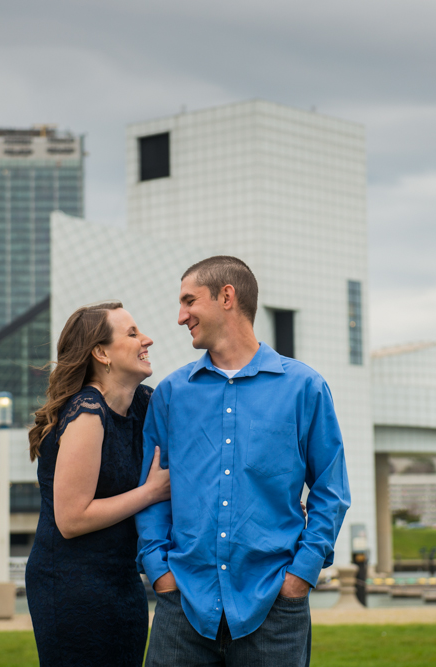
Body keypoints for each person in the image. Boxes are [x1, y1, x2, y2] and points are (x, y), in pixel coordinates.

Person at [137, 256, 351, 667]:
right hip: (182, 607)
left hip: (274, 606)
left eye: (189, 301)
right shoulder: (170, 394)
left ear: (227, 297)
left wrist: (299, 576)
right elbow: (152, 491)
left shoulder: (304, 388)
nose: (180, 317)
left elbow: (331, 490)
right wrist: (159, 572)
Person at [24, 302, 171, 667]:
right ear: (101, 353)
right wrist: (149, 492)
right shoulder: (88, 411)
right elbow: (72, 519)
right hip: (72, 583)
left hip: (122, 578)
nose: (146, 339)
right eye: (133, 333)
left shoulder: (144, 403)